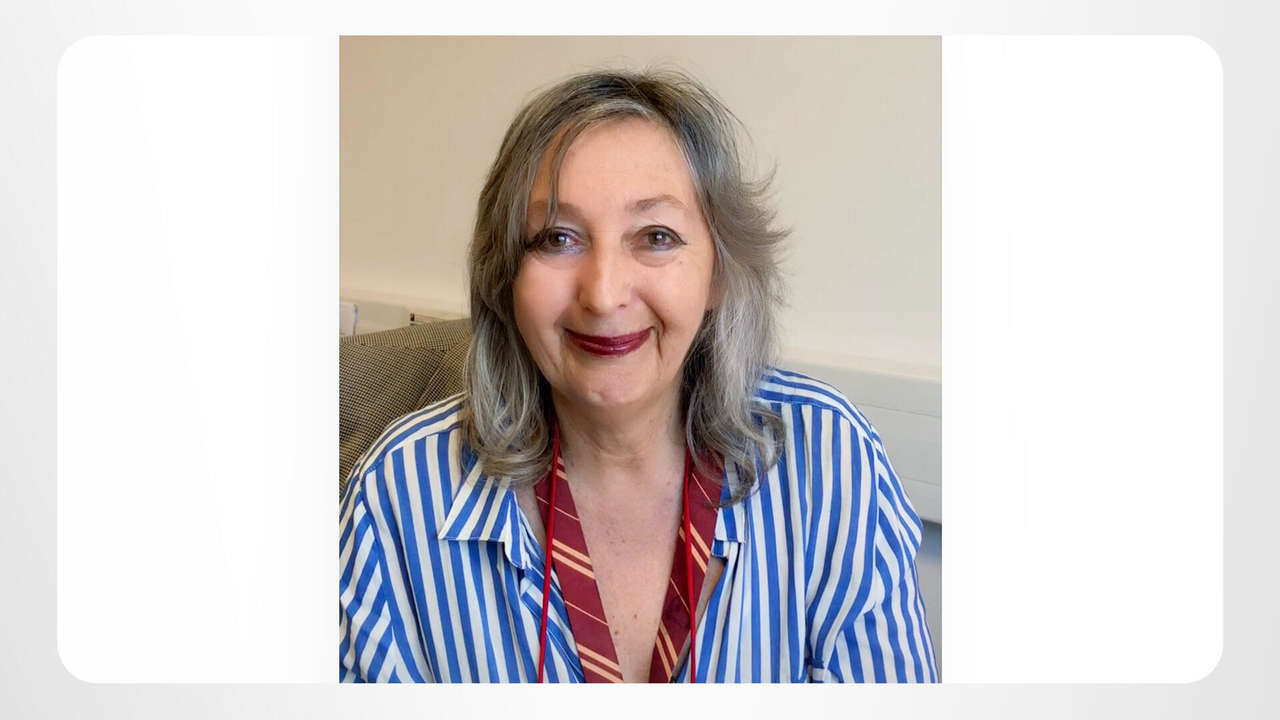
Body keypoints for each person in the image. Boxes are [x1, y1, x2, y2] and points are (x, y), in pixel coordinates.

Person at [339, 69, 937, 683]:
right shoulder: (396, 494)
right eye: (557, 237)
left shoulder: (831, 461)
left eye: (656, 237)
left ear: (719, 273)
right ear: (507, 275)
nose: (603, 294)